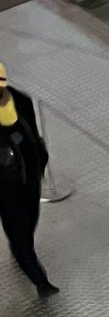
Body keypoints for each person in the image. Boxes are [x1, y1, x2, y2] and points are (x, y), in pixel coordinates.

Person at [0, 64, 57, 296]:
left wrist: (40, 160)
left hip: (29, 179)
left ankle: (21, 249)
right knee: (20, 233)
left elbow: (32, 135)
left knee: (29, 222)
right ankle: (40, 281)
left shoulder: (21, 101)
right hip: (6, 187)